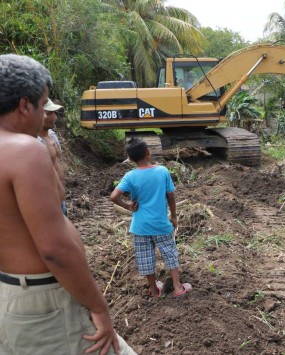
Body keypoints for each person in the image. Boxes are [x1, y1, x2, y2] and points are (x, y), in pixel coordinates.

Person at [0, 54, 135, 354]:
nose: (46, 116)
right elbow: (54, 249)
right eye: (43, 103)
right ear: (25, 105)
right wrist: (99, 308)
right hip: (44, 301)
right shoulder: (24, 150)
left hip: (10, 295)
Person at [110, 137, 192, 298]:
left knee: (146, 258)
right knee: (170, 254)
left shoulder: (130, 176)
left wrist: (127, 206)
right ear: (148, 152)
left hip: (140, 227)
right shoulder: (162, 171)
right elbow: (171, 197)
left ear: (131, 159)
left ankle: (154, 290)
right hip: (161, 225)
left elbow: (114, 196)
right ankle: (177, 287)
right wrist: (174, 216)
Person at [38, 98, 68, 215]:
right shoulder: (33, 141)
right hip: (46, 200)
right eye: (49, 113)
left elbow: (57, 162)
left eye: (54, 113)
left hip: (60, 197)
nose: (54, 117)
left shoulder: (52, 135)